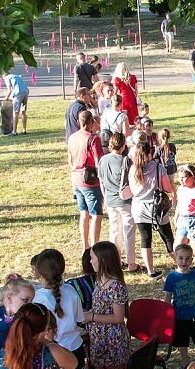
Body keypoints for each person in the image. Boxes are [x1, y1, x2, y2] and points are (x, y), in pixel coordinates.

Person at [85, 241, 132, 369]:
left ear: (103, 260)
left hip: (113, 339)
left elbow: (118, 318)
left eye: (93, 258)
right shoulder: (99, 281)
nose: (90, 261)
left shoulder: (115, 286)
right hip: (101, 338)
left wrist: (91, 317)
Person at [32, 248, 86, 369]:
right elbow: (80, 318)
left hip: (53, 353)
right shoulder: (71, 290)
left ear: (39, 272)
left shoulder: (37, 298)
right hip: (76, 348)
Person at [129, 135, 174, 278]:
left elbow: (132, 189)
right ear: (149, 153)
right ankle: (181, 262)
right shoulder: (158, 168)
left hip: (139, 207)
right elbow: (167, 188)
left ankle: (151, 271)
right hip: (157, 208)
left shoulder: (133, 169)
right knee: (167, 236)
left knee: (145, 238)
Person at [67, 110, 105, 253]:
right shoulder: (93, 139)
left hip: (76, 179)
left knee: (84, 213)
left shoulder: (72, 138)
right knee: (96, 215)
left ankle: (85, 245)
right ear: (91, 122)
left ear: (79, 122)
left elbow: (70, 159)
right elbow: (98, 161)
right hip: (90, 180)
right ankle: (95, 246)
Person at [163, 244, 195, 365]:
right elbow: (167, 296)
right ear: (175, 258)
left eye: (188, 258)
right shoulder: (171, 277)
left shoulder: (194, 275)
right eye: (181, 258)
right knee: (182, 343)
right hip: (179, 316)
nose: (184, 261)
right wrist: (165, 315)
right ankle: (186, 365)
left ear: (192, 259)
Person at [99, 131, 135, 265]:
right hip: (125, 200)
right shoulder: (126, 161)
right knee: (128, 231)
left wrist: (105, 197)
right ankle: (131, 262)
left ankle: (115, 260)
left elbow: (101, 182)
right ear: (123, 146)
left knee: (114, 230)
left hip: (110, 199)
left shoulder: (103, 160)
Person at [112, 62, 139, 130]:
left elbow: (115, 92)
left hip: (123, 98)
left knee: (125, 114)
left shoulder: (118, 80)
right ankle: (135, 127)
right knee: (133, 114)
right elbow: (136, 91)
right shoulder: (132, 77)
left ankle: (125, 128)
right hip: (132, 97)